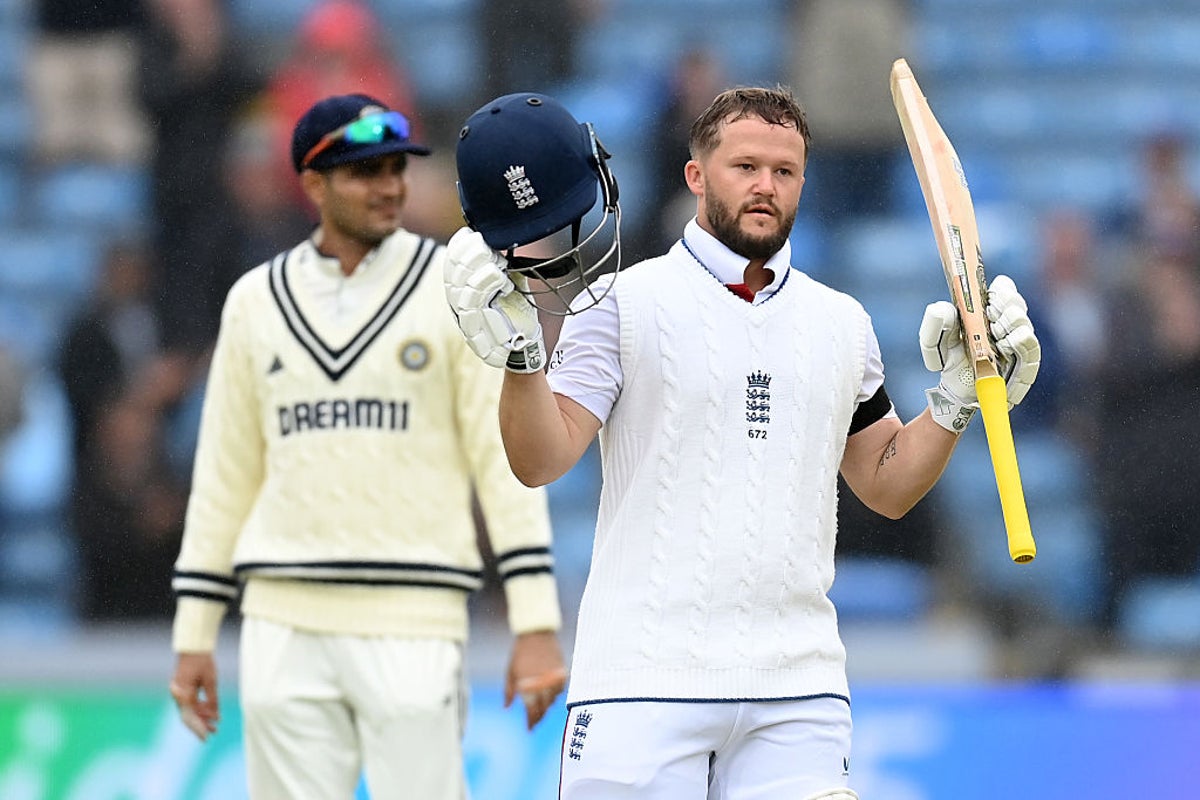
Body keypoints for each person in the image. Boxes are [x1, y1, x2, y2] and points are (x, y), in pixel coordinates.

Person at [444, 87, 1041, 798]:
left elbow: (886, 484)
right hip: (642, 681)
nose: (765, 186)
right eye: (745, 166)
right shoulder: (624, 304)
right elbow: (540, 460)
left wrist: (955, 400)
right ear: (697, 175)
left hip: (798, 690)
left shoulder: (840, 322)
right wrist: (521, 363)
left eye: (784, 172)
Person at [167, 93, 567, 799]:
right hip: (281, 619)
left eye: (395, 169)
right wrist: (193, 631)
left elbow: (502, 461)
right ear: (312, 184)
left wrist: (534, 619)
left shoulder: (458, 288)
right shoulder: (255, 301)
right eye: (362, 173)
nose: (388, 187)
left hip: (414, 615)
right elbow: (224, 476)